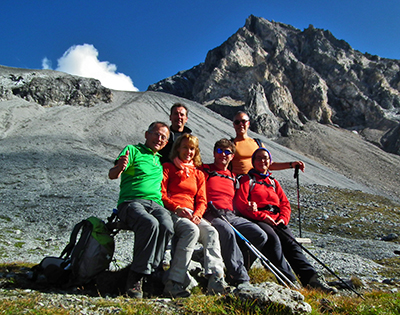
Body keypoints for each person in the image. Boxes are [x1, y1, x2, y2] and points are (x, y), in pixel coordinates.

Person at [234, 147, 337, 293]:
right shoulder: (247, 180)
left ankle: (312, 279)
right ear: (253, 162)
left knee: (291, 243)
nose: (262, 161)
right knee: (272, 240)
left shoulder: (273, 182)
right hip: (259, 219)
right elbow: (242, 204)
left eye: (265, 158)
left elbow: (285, 204)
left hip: (277, 220)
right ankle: (289, 281)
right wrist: (263, 217)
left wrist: (283, 219)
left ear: (270, 162)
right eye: (258, 158)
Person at [108, 122, 174, 299]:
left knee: (167, 225)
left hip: (156, 204)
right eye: (156, 134)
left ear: (166, 143)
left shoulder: (159, 160)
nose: (159, 139)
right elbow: (112, 174)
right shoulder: (132, 150)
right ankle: (135, 278)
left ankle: (154, 271)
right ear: (147, 134)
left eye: (163, 137)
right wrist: (119, 168)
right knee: (149, 223)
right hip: (131, 202)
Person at [161, 133, 228, 298]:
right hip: (172, 211)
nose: (189, 151)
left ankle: (216, 279)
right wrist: (176, 208)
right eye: (185, 147)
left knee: (211, 232)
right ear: (178, 148)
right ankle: (174, 283)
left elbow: (202, 200)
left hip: (192, 214)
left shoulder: (198, 174)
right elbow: (161, 194)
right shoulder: (168, 168)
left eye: (192, 148)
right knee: (192, 230)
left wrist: (198, 214)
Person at [201, 139, 270, 286]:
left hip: (231, 215)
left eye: (227, 152)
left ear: (232, 156)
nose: (223, 155)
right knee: (227, 232)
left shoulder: (233, 177)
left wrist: (250, 205)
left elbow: (240, 200)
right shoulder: (205, 170)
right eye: (219, 151)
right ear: (214, 153)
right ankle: (240, 278)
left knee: (260, 235)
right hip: (211, 214)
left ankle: (238, 269)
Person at [230, 111, 305, 175]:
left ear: (248, 123)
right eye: (237, 122)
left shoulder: (257, 143)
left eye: (243, 121)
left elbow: (269, 164)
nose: (240, 124)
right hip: (240, 185)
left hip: (257, 184)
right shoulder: (230, 145)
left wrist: (291, 165)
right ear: (234, 125)